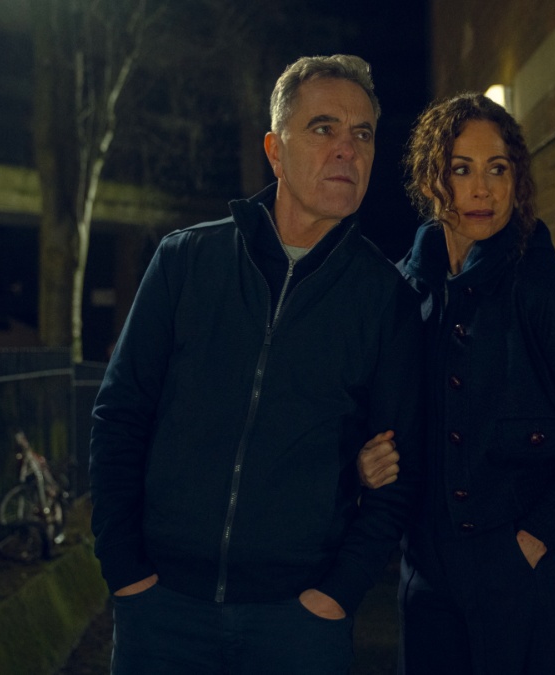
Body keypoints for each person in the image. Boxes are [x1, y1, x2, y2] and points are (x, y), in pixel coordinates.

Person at [89, 54, 422, 675]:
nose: (347, 149)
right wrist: (125, 568)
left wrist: (338, 594)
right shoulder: (186, 262)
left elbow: (398, 467)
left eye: (363, 133)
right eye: (323, 128)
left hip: (299, 624)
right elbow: (120, 415)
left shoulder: (387, 300)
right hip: (163, 609)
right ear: (275, 150)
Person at [359, 93, 555, 675]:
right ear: (431, 181)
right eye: (461, 170)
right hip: (426, 582)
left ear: (517, 181)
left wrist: (530, 542)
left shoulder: (554, 297)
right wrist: (366, 458)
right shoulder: (401, 297)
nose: (482, 189)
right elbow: (368, 415)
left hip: (525, 578)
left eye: (498, 169)